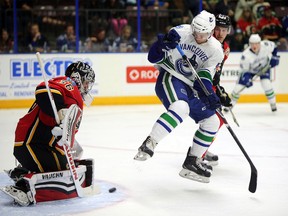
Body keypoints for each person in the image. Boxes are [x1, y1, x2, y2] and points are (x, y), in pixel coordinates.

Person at [134, 10, 224, 183]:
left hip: (190, 87)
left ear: (211, 32)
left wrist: (209, 94)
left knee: (212, 122)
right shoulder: (181, 32)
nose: (198, 36)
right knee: (181, 107)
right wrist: (162, 45)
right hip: (171, 76)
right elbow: (153, 57)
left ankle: (192, 162)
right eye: (196, 31)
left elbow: (204, 76)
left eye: (203, 33)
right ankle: (150, 143)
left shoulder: (216, 50)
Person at [1, 62, 96, 206]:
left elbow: (63, 134)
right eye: (86, 82)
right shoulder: (68, 84)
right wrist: (58, 111)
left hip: (43, 145)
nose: (87, 87)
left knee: (69, 160)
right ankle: (23, 186)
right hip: (31, 144)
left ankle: (22, 170)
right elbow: (43, 91)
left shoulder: (75, 98)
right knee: (62, 169)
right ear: (77, 77)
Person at [202, 13, 233, 166]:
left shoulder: (225, 48)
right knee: (213, 120)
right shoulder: (206, 42)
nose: (220, 33)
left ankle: (201, 149)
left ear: (229, 31)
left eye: (224, 30)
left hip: (210, 86)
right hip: (199, 86)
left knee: (217, 121)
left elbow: (216, 71)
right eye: (217, 29)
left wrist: (218, 89)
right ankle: (197, 154)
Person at [229, 34, 280, 112]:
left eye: (256, 43)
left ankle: (273, 105)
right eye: (252, 43)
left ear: (260, 43)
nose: (254, 45)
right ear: (249, 44)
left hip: (264, 68)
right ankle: (229, 105)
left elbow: (274, 47)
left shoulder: (266, 45)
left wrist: (275, 56)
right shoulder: (245, 55)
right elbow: (244, 71)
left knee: (266, 84)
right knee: (238, 87)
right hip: (250, 71)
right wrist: (246, 79)